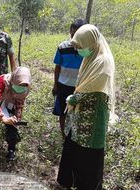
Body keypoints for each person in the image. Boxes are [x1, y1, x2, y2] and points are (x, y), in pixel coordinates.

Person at [57, 24, 116, 190]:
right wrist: (76, 97)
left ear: (91, 42)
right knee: (74, 151)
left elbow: (95, 87)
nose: (78, 50)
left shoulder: (103, 61)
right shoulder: (90, 58)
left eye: (80, 46)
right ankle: (69, 182)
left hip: (92, 120)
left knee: (88, 159)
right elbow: (83, 85)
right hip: (79, 119)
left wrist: (77, 97)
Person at [0, 67, 31, 161]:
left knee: (12, 125)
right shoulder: (2, 81)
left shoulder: (25, 88)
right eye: (18, 86)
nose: (20, 89)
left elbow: (19, 104)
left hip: (9, 103)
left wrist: (16, 117)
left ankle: (11, 149)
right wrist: (3, 118)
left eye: (22, 87)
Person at [52, 19, 87, 138]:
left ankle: (74, 136)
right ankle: (64, 136)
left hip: (80, 87)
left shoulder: (87, 49)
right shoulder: (63, 47)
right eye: (72, 32)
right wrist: (55, 85)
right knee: (63, 112)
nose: (74, 36)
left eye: (77, 33)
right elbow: (57, 67)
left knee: (78, 112)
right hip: (63, 85)